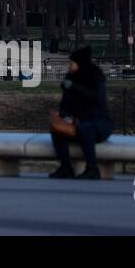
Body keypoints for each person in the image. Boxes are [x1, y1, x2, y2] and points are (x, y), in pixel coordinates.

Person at [49, 45, 114, 180]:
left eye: (71, 63)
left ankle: (92, 168)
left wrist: (74, 87)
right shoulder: (70, 79)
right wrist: (65, 116)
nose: (69, 66)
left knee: (86, 129)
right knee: (57, 131)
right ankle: (66, 167)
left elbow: (97, 98)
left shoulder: (95, 78)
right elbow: (65, 105)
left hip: (99, 123)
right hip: (78, 123)